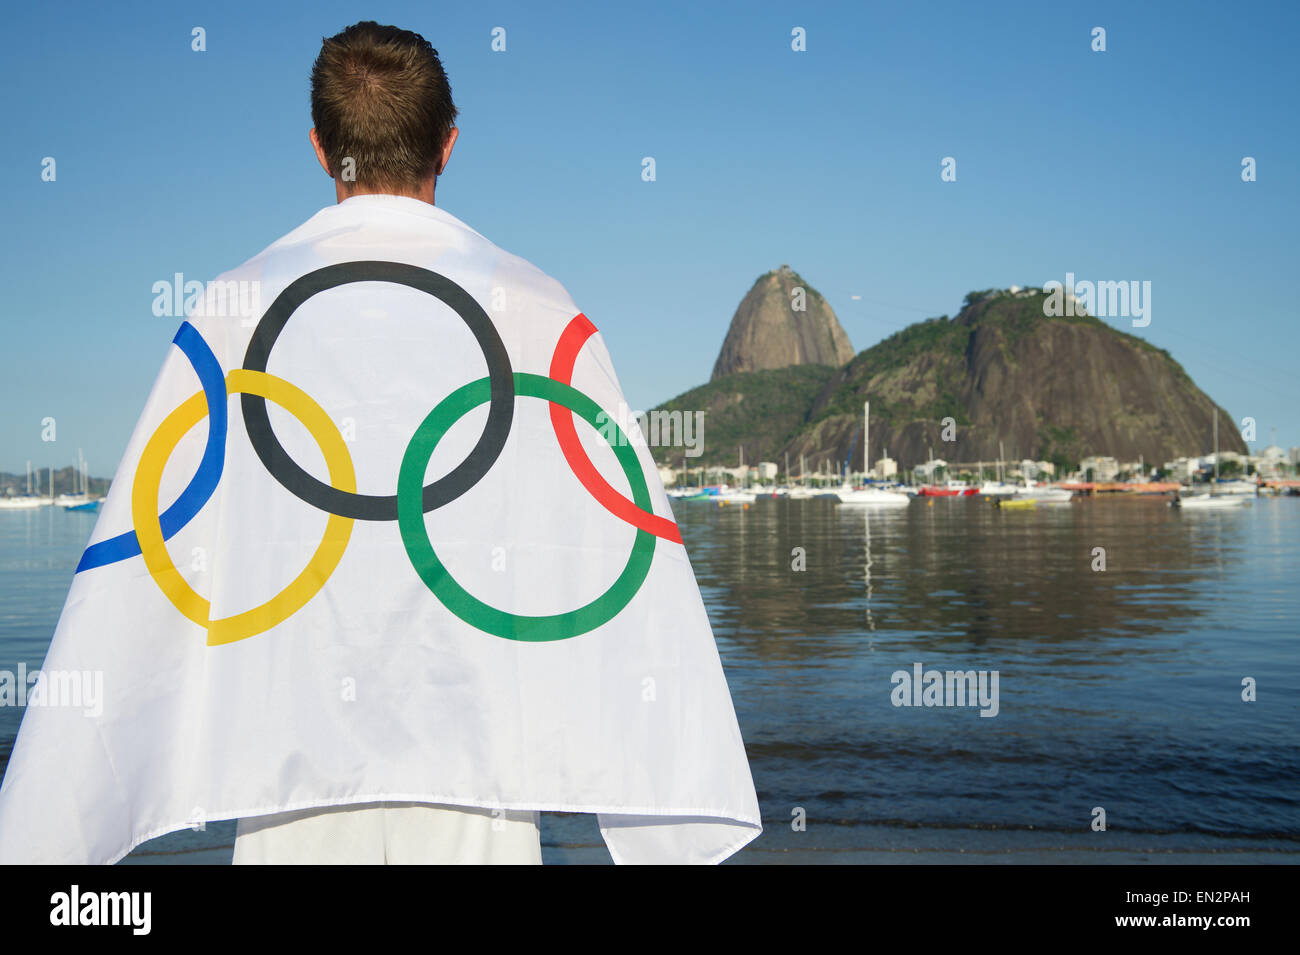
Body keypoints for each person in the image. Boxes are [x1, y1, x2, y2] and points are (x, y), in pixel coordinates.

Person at [0, 20, 760, 867]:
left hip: (291, 787)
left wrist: (61, 816)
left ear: (322, 150)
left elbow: (145, 558)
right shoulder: (543, 311)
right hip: (482, 789)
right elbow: (620, 548)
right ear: (449, 144)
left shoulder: (229, 311)